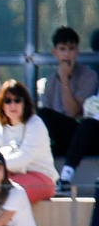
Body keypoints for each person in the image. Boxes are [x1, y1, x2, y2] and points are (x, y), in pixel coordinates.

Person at [0, 80, 56, 202]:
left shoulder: (35, 124)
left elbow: (22, 159)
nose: (13, 105)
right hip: (5, 177)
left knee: (5, 191)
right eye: (7, 101)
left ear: (24, 103)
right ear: (1, 104)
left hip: (40, 178)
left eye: (17, 100)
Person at [35, 26, 96, 157]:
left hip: (80, 133)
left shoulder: (89, 76)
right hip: (57, 136)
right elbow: (47, 117)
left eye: (71, 49)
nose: (67, 54)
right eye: (62, 49)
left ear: (77, 52)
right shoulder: (49, 82)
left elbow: (73, 112)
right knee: (41, 114)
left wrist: (64, 79)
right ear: (54, 52)